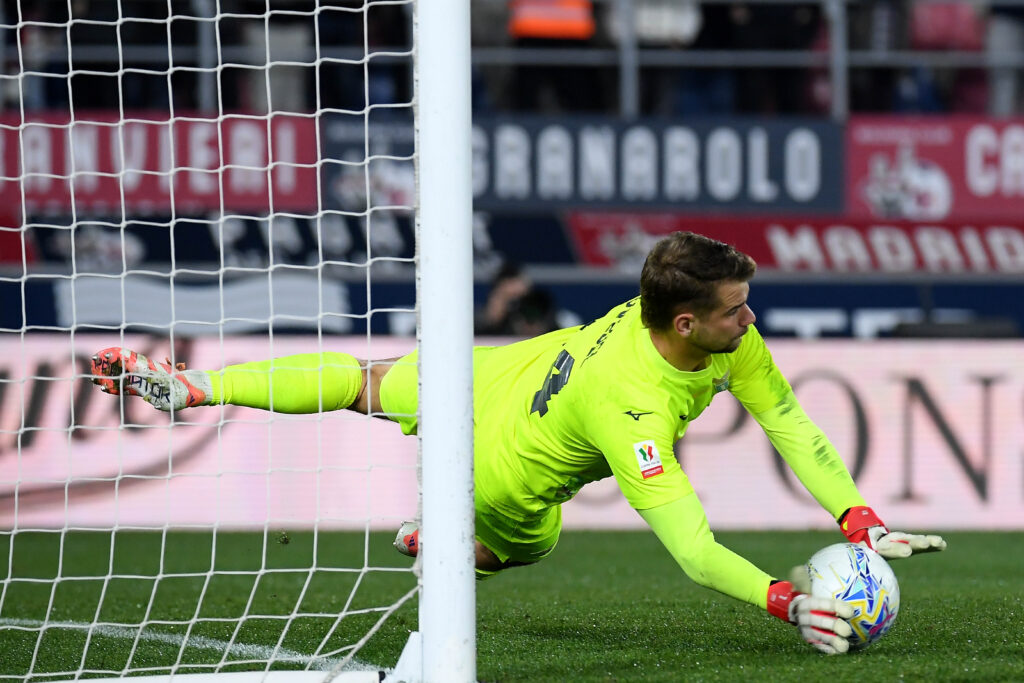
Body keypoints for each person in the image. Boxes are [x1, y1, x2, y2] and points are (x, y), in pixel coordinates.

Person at [89, 231, 946, 655]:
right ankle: (457, 540)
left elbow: (788, 420)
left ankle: (202, 384)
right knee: (531, 540)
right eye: (735, 310)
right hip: (500, 473)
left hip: (484, 377)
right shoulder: (634, 411)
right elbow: (693, 549)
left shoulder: (720, 335)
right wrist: (786, 601)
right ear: (687, 322)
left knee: (358, 379)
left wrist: (858, 515)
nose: (750, 318)